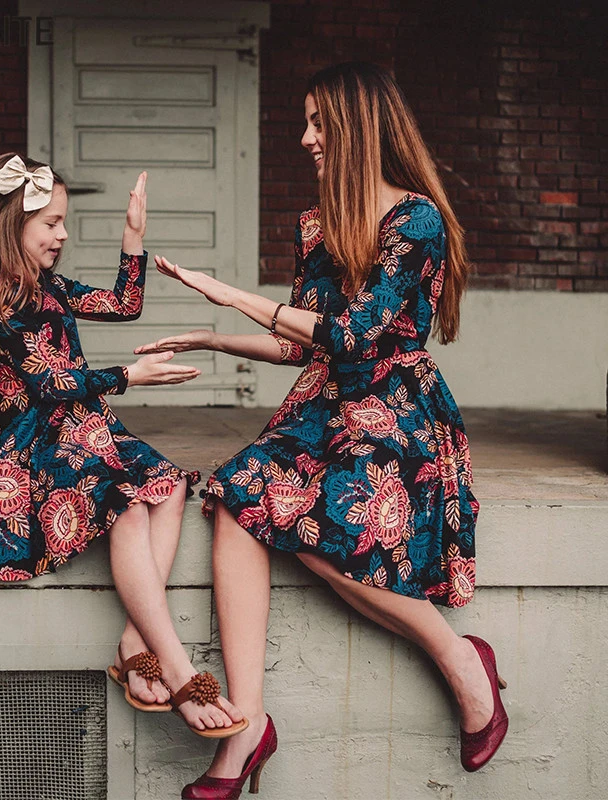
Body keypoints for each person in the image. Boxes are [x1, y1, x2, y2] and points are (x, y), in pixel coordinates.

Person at [136, 63, 508, 797]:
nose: (305, 138)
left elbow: (359, 334)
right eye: (305, 123)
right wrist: (212, 337)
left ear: (359, 128)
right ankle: (244, 728)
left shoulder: (416, 219)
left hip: (397, 407)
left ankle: (462, 658)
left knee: (307, 515)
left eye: (318, 123)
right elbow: (299, 346)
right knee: (240, 498)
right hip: (323, 404)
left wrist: (234, 294)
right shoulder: (317, 224)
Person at [0, 153, 248, 738]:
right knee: (124, 499)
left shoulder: (48, 284)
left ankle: (133, 641)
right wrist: (129, 377)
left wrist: (133, 238)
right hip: (31, 434)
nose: (63, 234)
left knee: (165, 486)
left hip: (80, 423)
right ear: (11, 224)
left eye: (63, 222)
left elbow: (122, 305)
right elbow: (47, 384)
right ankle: (176, 664)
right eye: (51, 224)